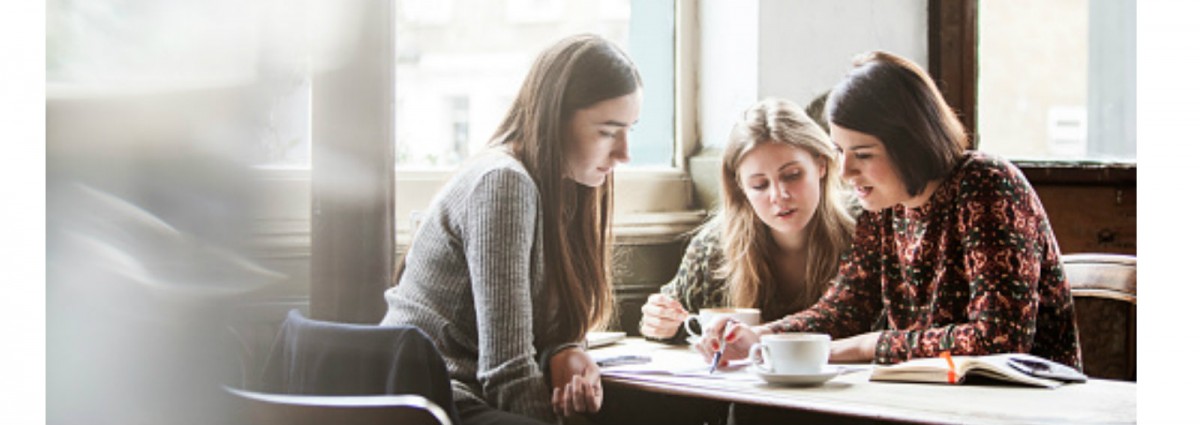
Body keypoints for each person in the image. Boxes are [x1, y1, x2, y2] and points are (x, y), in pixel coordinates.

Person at [699, 51, 1082, 371]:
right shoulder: (883, 206)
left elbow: (999, 338)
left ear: (910, 144)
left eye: (863, 154)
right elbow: (844, 309)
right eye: (840, 152)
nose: (846, 172)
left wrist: (866, 347)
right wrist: (759, 337)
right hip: (930, 400)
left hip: (1021, 406)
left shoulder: (986, 185)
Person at [380, 34, 641, 424]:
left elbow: (535, 335)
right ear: (554, 119)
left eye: (629, 130)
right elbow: (506, 369)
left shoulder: (562, 187)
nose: (624, 153)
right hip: (430, 400)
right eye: (606, 132)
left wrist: (564, 352)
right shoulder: (504, 182)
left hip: (464, 396)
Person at [638, 97, 857, 345]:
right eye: (759, 185)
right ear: (740, 187)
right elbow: (674, 317)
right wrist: (660, 322)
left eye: (792, 175)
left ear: (821, 165)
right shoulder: (713, 249)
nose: (779, 196)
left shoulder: (866, 230)